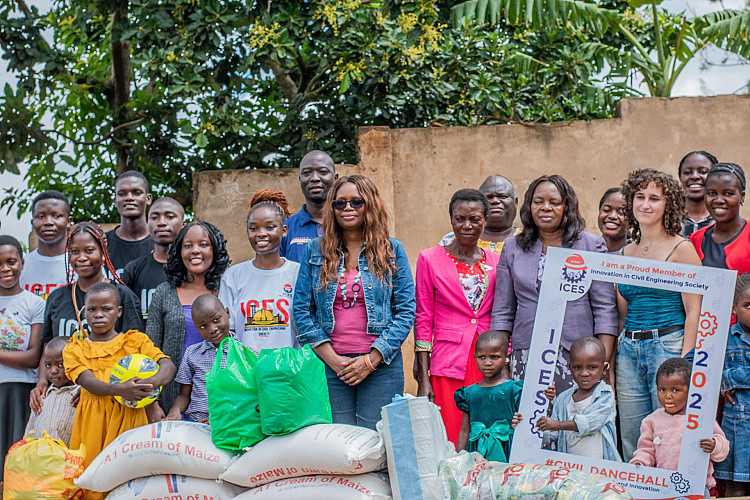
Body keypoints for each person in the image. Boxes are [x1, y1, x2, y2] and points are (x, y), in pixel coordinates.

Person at [293, 174, 415, 430]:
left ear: (369, 205)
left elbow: (405, 312)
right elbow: (302, 311)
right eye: (340, 203)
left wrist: (370, 360)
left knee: (378, 442)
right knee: (338, 444)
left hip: (381, 366)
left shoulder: (392, 250)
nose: (347, 208)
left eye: (356, 202)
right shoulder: (315, 250)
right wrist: (334, 361)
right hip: (330, 366)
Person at [490, 175, 618, 392]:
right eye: (538, 202)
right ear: (529, 206)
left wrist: (602, 363)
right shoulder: (512, 247)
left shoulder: (590, 245)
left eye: (554, 202)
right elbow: (503, 311)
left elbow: (605, 309)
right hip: (527, 351)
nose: (545, 208)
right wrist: (499, 361)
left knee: (572, 420)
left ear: (566, 206)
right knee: (530, 422)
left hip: (579, 356)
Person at [616, 168, 703, 461]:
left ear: (669, 205)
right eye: (639, 196)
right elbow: (622, 310)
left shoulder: (682, 249)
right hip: (628, 349)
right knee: (633, 435)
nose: (645, 204)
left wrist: (685, 362)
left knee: (670, 434)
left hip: (668, 347)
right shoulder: (624, 253)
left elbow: (694, 310)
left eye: (654, 198)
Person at [63, 282, 176, 499]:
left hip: (131, 419)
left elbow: (167, 366)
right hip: (93, 423)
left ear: (119, 311)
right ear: (83, 311)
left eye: (106, 309)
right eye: (92, 309)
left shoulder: (134, 342)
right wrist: (119, 390)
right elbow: (87, 382)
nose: (98, 315)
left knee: (130, 481)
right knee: (91, 479)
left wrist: (148, 386)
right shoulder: (75, 349)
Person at [415, 188, 502, 444]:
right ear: (450, 218)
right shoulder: (429, 259)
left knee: (488, 435)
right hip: (448, 364)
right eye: (459, 218)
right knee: (452, 437)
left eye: (475, 219)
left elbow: (502, 314)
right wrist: (423, 377)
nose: (467, 225)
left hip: (488, 362)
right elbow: (423, 317)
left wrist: (504, 362)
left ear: (485, 220)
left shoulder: (498, 262)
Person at [33, 222, 143, 417]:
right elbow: (47, 347)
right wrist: (41, 383)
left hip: (110, 398)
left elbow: (134, 352)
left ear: (103, 252)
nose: (82, 258)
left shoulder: (122, 295)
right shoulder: (57, 297)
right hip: (63, 397)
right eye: (75, 251)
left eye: (89, 250)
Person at [146, 221, 229, 415]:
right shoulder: (164, 292)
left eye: (203, 244)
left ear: (215, 249)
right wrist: (151, 403)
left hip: (223, 402)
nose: (195, 251)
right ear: (179, 251)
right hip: (171, 401)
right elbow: (150, 349)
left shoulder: (228, 287)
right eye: (188, 246)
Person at [219, 190, 300, 354]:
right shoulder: (233, 276)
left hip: (290, 372)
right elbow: (228, 331)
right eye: (254, 228)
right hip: (246, 373)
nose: (261, 234)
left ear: (284, 230)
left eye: (270, 227)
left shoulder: (298, 273)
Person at [630, 358, 728, 492]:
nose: (668, 396)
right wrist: (639, 462)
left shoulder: (700, 418)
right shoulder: (651, 421)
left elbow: (723, 449)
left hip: (696, 486)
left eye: (675, 390)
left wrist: (714, 445)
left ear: (691, 390)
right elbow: (646, 450)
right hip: (662, 486)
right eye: (662, 389)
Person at [0, 235, 45, 481]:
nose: (5, 269)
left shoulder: (34, 303)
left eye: (11, 262)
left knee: (16, 461)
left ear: (22, 263)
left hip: (21, 390)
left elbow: (32, 356)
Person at [536, 337, 620, 461]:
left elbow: (591, 423)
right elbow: (553, 433)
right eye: (577, 367)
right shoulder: (564, 398)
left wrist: (558, 425)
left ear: (604, 369)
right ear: (570, 368)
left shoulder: (605, 394)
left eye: (592, 367)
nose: (584, 373)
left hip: (600, 468)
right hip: (571, 467)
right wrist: (533, 428)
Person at [454, 331, 523, 461]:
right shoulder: (469, 393)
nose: (487, 362)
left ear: (506, 357)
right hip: (476, 451)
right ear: (474, 357)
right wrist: (459, 459)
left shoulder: (514, 389)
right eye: (482, 357)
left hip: (506, 450)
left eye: (494, 357)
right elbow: (464, 430)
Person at [166, 294, 232, 423]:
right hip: (197, 425)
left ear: (227, 313)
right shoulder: (192, 353)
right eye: (203, 326)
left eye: (216, 319)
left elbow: (247, 398)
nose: (212, 329)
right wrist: (175, 410)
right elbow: (184, 395)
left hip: (231, 424)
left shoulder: (246, 354)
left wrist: (219, 419)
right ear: (196, 328)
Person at [122, 197, 186, 324]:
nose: (161, 223)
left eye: (170, 217)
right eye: (154, 218)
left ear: (183, 225)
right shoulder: (133, 269)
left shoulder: (191, 269)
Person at [715, 273, 750, 496]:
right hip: (736, 430)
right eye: (748, 305)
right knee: (735, 489)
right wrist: (718, 381)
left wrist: (729, 378)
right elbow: (695, 364)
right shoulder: (724, 338)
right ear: (734, 308)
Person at [690, 163, 750, 272]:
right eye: (711, 193)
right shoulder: (696, 239)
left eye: (728, 193)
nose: (718, 200)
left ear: (742, 197)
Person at [280, 151, 338, 262]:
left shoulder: (347, 225)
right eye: (307, 173)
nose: (314, 178)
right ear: (300, 180)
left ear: (335, 178)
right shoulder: (285, 228)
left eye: (323, 172)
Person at [439, 175, 520, 254]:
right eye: (488, 197)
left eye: (502, 196)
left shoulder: (528, 239)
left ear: (515, 202)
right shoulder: (450, 240)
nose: (495, 201)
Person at [25, 336, 78, 446]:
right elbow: (30, 432)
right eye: (48, 365)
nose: (53, 371)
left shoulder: (79, 395)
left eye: (60, 365)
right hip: (42, 459)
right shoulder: (43, 396)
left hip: (70, 459)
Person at [20, 190, 73, 300]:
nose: (48, 222)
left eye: (56, 216)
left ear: (68, 221)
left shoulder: (83, 264)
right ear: (32, 222)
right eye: (41, 216)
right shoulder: (20, 267)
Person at [106, 171, 154, 277]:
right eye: (122, 194)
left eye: (136, 193)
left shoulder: (161, 244)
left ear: (148, 199)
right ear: (115, 201)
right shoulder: (102, 244)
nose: (129, 198)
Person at [679, 150, 718, 238]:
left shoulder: (724, 218)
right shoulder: (668, 217)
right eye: (687, 173)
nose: (694, 176)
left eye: (703, 172)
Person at [598, 187, 629, 253]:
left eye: (621, 212)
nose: (612, 216)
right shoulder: (586, 250)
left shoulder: (637, 256)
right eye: (606, 210)